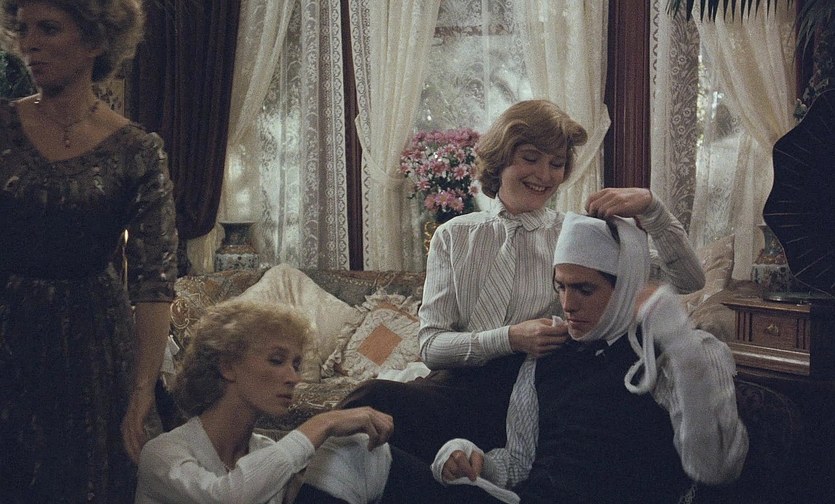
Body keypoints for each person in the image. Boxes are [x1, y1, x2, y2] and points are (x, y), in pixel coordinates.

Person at [338, 99, 706, 463]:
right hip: (454, 389)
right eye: (531, 158)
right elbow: (432, 347)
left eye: (556, 164)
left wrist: (653, 208)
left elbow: (688, 280)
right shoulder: (453, 235)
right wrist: (511, 337)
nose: (544, 175)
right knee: (369, 404)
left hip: (537, 397)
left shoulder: (576, 235)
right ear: (501, 158)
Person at [379, 212, 748, 503]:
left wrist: (681, 346)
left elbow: (715, 467)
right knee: (366, 458)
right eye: (561, 287)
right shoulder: (549, 354)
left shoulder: (680, 353)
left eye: (584, 289)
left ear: (625, 289)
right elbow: (518, 464)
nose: (568, 304)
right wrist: (474, 458)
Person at [0, 1, 177, 502]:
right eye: (23, 29)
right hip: (7, 331)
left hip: (91, 346)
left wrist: (142, 390)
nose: (30, 44)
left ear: (96, 41)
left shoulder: (137, 150)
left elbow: (154, 281)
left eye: (48, 29)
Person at [136, 299, 394, 504]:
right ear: (228, 366)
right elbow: (226, 497)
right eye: (276, 360)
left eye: (296, 365)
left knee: (359, 447)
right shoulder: (163, 453)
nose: (294, 378)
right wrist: (322, 423)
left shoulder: (264, 449)